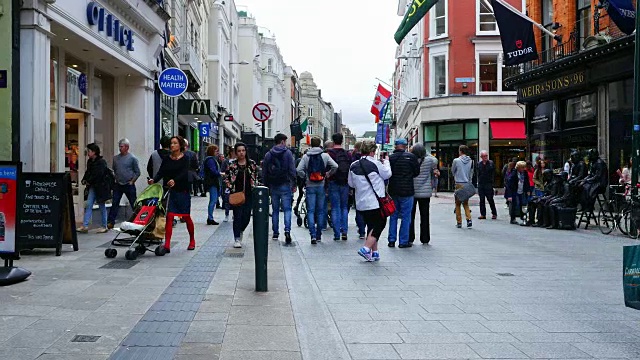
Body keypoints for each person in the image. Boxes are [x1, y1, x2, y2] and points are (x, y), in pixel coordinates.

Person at [148, 136, 196, 254]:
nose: (172, 145)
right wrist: (153, 180)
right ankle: (167, 244)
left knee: (186, 216)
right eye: (171, 143)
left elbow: (184, 173)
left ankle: (192, 240)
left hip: (183, 191)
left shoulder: (185, 159)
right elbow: (161, 172)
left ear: (180, 145)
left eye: (175, 143)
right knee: (169, 217)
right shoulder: (167, 158)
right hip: (171, 191)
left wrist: (175, 180)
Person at [348, 140, 392, 262]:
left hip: (361, 202)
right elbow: (387, 174)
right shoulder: (376, 163)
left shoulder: (354, 165)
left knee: (371, 226)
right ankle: (366, 249)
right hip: (375, 201)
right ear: (373, 151)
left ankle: (375, 252)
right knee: (380, 224)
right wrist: (387, 161)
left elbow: (350, 183)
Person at [296, 136, 338, 244]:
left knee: (310, 211)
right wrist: (327, 174)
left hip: (310, 186)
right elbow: (335, 166)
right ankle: (319, 234)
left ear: (310, 144)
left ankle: (312, 235)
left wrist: (305, 177)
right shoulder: (325, 155)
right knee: (320, 211)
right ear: (320, 144)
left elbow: (298, 170)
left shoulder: (306, 156)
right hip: (321, 185)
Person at [263, 133, 296, 244]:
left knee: (275, 210)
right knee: (287, 209)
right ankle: (287, 231)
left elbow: (264, 172)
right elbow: (292, 170)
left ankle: (275, 232)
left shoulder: (268, 154)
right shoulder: (287, 153)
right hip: (285, 184)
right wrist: (294, 183)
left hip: (273, 184)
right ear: (282, 141)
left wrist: (266, 185)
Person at [225, 143, 259, 248]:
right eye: (239, 151)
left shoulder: (251, 164)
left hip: (249, 194)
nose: (241, 153)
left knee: (247, 217)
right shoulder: (232, 165)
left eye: (243, 150)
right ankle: (237, 238)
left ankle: (241, 230)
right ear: (236, 152)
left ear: (246, 151)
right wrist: (230, 186)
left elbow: (255, 177)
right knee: (237, 216)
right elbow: (226, 177)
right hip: (236, 194)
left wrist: (255, 186)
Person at [387, 138, 420, 248]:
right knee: (406, 216)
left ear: (396, 146)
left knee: (393, 215)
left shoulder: (391, 158)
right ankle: (403, 241)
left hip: (393, 190)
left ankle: (391, 240)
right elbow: (416, 172)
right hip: (407, 190)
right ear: (405, 146)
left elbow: (387, 174)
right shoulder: (411, 157)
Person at [78, 143, 112, 233]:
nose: (88, 153)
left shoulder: (101, 162)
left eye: (89, 151)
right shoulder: (90, 161)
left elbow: (99, 175)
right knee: (89, 204)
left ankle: (104, 226)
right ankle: (85, 226)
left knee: (101, 205)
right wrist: (84, 179)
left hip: (100, 187)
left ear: (94, 152)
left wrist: (89, 180)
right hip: (93, 186)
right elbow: (88, 171)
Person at [107, 138, 140, 229]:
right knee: (115, 203)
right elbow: (114, 169)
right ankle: (111, 222)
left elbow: (137, 172)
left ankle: (139, 219)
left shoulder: (132, 158)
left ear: (127, 147)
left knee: (133, 203)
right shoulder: (116, 158)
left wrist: (132, 181)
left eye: (121, 146)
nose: (120, 148)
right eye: (119, 146)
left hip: (128, 184)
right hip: (118, 184)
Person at [326, 133, 352, 241]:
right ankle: (344, 231)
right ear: (342, 141)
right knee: (344, 207)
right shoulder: (347, 154)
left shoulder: (329, 154)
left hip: (333, 182)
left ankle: (336, 234)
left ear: (333, 141)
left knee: (335, 208)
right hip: (345, 182)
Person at [409, 143, 437, 244]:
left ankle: (410, 237)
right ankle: (425, 238)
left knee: (410, 216)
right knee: (425, 216)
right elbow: (435, 160)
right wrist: (427, 154)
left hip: (413, 192)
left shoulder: (411, 160)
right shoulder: (429, 160)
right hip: (425, 192)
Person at [452, 145, 474, 228]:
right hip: (467, 183)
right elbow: (471, 173)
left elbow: (453, 171)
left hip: (459, 183)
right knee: (466, 203)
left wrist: (456, 176)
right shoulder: (471, 161)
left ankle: (459, 222)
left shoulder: (456, 160)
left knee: (457, 204)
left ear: (460, 151)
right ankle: (469, 220)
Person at [506, 161, 531, 225]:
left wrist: (528, 190)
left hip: (522, 190)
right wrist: (509, 195)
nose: (523, 169)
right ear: (518, 167)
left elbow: (527, 181)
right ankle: (513, 218)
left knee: (523, 204)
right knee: (515, 204)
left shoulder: (525, 173)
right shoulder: (514, 173)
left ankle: (523, 217)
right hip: (515, 191)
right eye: (522, 167)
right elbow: (509, 184)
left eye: (524, 167)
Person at [203, 145, 222, 225]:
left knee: (213, 200)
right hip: (212, 182)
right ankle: (210, 218)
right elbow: (213, 171)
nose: (217, 153)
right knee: (213, 200)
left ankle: (210, 217)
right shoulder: (211, 160)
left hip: (212, 182)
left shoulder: (211, 159)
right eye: (216, 151)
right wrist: (221, 173)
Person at [477, 150, 497, 220]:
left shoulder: (491, 163)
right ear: (481, 157)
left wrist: (493, 183)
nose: (485, 157)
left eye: (486, 156)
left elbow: (493, 173)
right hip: (481, 184)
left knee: (490, 199)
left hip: (488, 184)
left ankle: (494, 213)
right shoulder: (479, 164)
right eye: (484, 156)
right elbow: (478, 173)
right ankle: (483, 214)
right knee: (481, 199)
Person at [220, 148, 236, 222]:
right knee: (227, 199)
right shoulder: (225, 161)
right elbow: (222, 171)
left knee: (235, 200)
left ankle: (234, 215)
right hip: (227, 183)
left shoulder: (237, 161)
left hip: (235, 183)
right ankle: (227, 214)